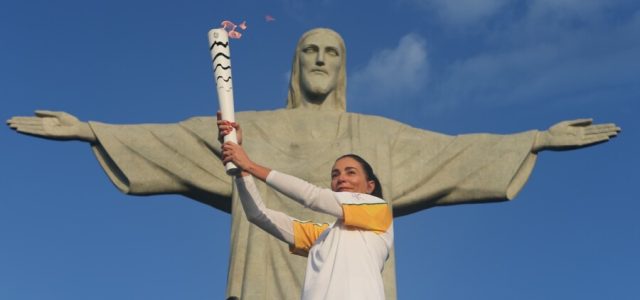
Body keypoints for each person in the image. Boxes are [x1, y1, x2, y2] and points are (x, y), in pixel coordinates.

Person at [6, 28, 620, 299]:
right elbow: (174, 143)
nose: (320, 59)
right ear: (295, 65)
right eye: (310, 50)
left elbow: (454, 152)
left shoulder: (376, 143)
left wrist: (535, 139)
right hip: (263, 285)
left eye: (332, 51)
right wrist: (91, 129)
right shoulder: (253, 126)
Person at [219, 117, 392, 300]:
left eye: (351, 172)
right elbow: (257, 214)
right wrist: (239, 167)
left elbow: (313, 196)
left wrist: (250, 165)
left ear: (370, 186)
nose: (341, 178)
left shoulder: (379, 212)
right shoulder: (323, 236)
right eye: (335, 174)